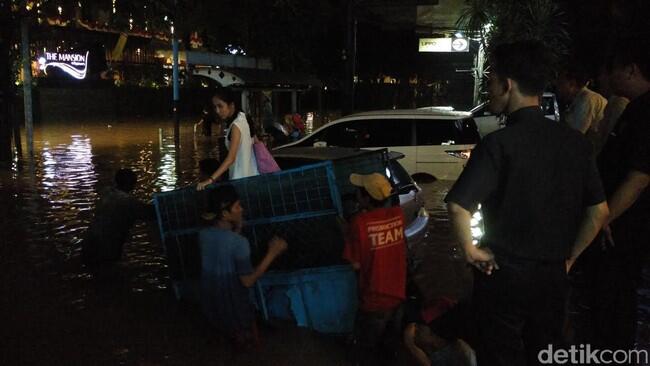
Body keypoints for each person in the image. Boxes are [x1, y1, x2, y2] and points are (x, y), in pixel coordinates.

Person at [445, 40, 609, 366]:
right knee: (546, 353)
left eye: (490, 81)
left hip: (503, 274)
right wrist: (568, 261)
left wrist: (471, 250)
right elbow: (599, 212)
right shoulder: (575, 144)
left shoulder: (498, 144)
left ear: (508, 85)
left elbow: (458, 206)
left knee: (499, 353)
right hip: (553, 277)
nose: (488, 89)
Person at [591, 40, 650, 351]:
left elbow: (639, 177)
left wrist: (603, 218)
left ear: (631, 69)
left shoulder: (644, 112)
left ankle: (612, 353)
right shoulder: (634, 109)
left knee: (615, 295)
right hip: (620, 223)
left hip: (625, 227)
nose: (606, 78)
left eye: (612, 70)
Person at [199, 184, 288, 346]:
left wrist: (237, 228)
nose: (242, 209)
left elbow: (223, 248)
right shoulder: (239, 243)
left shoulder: (203, 235)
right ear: (225, 214)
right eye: (237, 206)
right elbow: (247, 281)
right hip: (235, 313)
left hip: (210, 310)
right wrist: (272, 253)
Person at [343, 173, 406, 365]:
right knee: (389, 350)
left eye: (359, 191)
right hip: (398, 296)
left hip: (374, 301)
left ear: (366, 198)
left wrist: (344, 232)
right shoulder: (398, 214)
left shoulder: (359, 223)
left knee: (362, 352)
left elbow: (355, 263)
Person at [81, 168, 155, 268]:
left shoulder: (107, 192)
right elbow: (150, 214)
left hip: (89, 243)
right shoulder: (127, 201)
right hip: (106, 249)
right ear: (131, 184)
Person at [197, 87, 258, 190]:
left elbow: (231, 158)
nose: (217, 111)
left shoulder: (236, 126)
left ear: (231, 105)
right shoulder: (244, 118)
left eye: (220, 106)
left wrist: (210, 180)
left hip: (239, 179)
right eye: (215, 107)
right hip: (251, 175)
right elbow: (255, 141)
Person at [587, 63, 629, 155]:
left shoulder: (619, 102)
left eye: (602, 75)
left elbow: (607, 139)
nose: (599, 79)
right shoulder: (613, 101)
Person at [556, 63, 607, 136]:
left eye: (560, 82)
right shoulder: (580, 100)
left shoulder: (588, 99)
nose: (557, 86)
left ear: (571, 84)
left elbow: (575, 134)